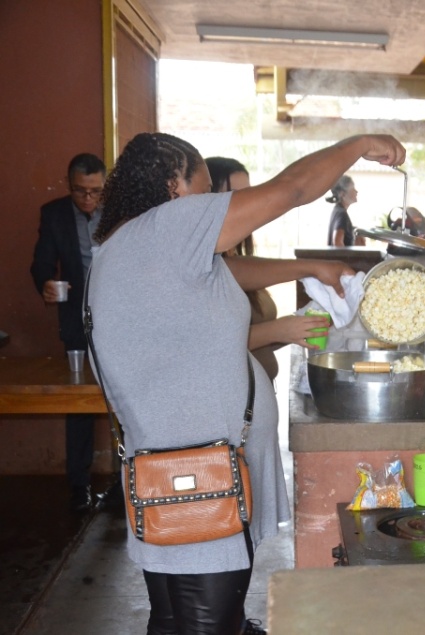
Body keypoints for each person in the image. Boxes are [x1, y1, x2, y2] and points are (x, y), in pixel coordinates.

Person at [88, 132, 405, 634]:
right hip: (198, 486)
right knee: (205, 626)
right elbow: (294, 188)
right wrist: (358, 145)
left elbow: (229, 270)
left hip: (183, 478)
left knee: (174, 622)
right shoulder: (166, 229)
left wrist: (308, 267)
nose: (216, 200)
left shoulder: (135, 243)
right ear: (175, 186)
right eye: (205, 185)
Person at [206, 156, 330, 383]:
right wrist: (279, 330)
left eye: (249, 195)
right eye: (235, 197)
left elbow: (259, 337)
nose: (247, 205)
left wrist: (298, 327)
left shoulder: (236, 255)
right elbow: (208, 343)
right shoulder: (205, 264)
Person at [29, 152, 107, 513]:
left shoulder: (122, 211)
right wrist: (45, 282)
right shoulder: (55, 213)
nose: (88, 199)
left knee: (125, 397)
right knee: (77, 400)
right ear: (68, 185)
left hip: (120, 315)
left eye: (95, 191)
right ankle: (79, 484)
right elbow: (42, 261)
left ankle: (128, 483)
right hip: (76, 315)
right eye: (80, 191)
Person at [326, 174, 365, 246]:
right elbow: (337, 242)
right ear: (343, 194)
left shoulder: (338, 211)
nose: (356, 191)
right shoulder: (341, 214)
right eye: (353, 188)